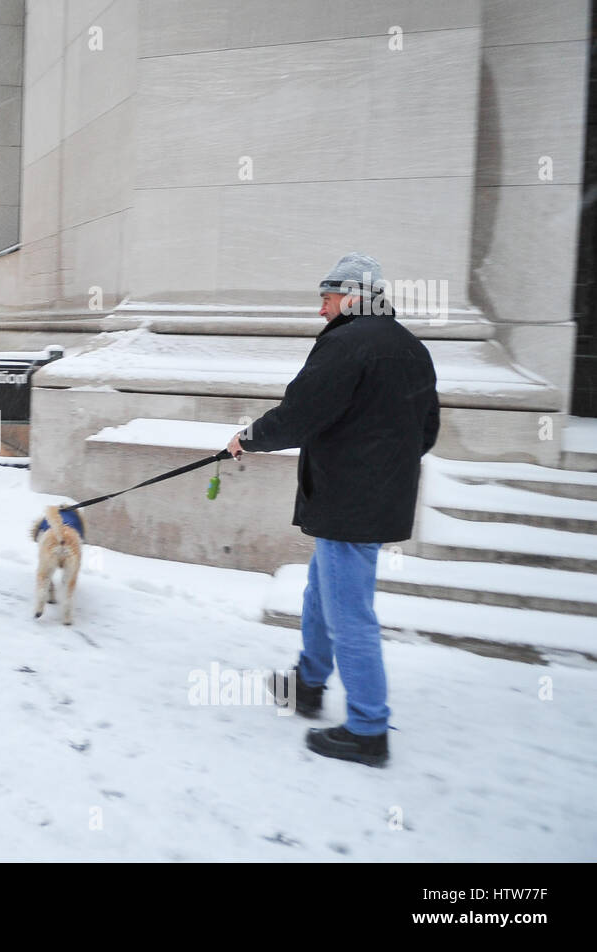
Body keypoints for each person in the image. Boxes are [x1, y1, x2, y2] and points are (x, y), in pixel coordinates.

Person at [226, 253, 440, 767]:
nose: (321, 311)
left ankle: (368, 729)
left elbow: (300, 415)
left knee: (351, 612)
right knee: (321, 592)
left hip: (349, 501)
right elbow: (426, 432)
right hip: (373, 497)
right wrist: (382, 466)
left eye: (326, 299)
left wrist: (246, 439)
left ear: (353, 297)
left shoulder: (347, 345)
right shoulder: (411, 349)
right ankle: (308, 684)